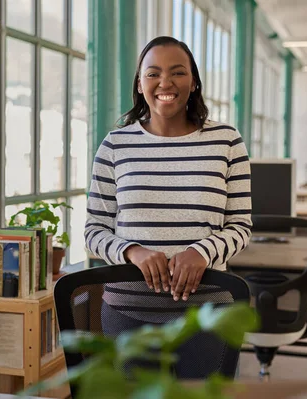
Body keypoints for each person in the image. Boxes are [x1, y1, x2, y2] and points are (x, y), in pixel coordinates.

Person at [84, 36, 252, 378]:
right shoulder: (116, 144)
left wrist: (201, 253)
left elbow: (240, 226)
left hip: (207, 312)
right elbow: (93, 232)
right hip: (127, 314)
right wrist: (133, 251)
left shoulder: (227, 141)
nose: (165, 83)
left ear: (194, 82)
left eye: (177, 72)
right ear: (140, 83)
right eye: (153, 73)